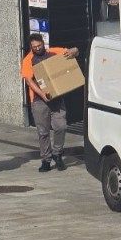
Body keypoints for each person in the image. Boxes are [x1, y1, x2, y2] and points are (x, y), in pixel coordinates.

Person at [21, 33, 79, 172]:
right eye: (34, 47)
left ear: (43, 43)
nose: (37, 48)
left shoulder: (54, 52)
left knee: (61, 127)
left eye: (39, 45)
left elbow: (75, 51)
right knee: (43, 132)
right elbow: (29, 81)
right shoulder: (28, 60)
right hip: (38, 101)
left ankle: (57, 153)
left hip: (57, 99)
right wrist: (42, 95)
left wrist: (74, 51)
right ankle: (46, 160)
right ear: (31, 47)